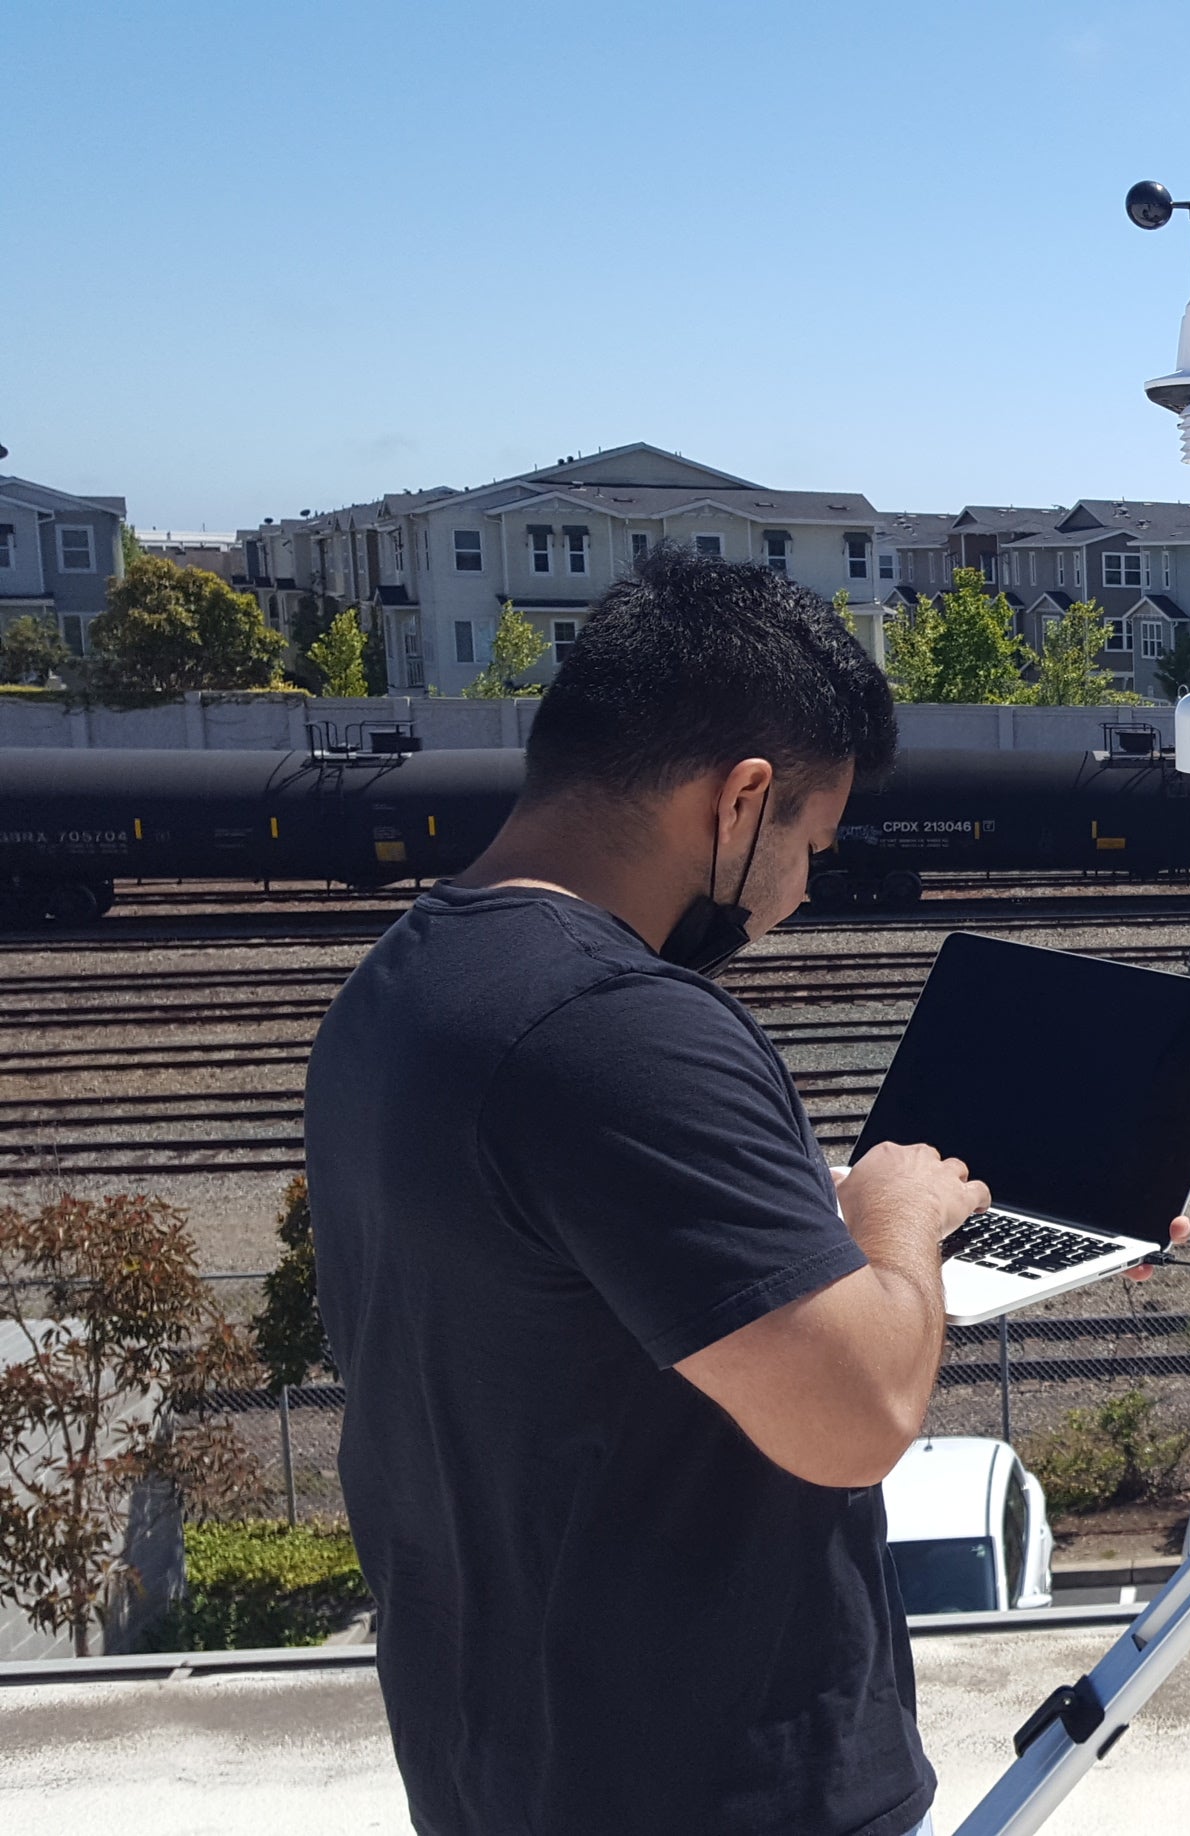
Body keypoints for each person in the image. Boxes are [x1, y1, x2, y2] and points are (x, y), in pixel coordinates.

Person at [308, 552, 976, 1834]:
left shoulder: (408, 981)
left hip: (506, 1749)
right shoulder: (623, 1031)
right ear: (742, 799)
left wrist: (798, 1244)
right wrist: (896, 1224)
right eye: (809, 847)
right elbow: (858, 1416)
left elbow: (574, 1298)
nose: (798, 895)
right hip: (710, 1781)